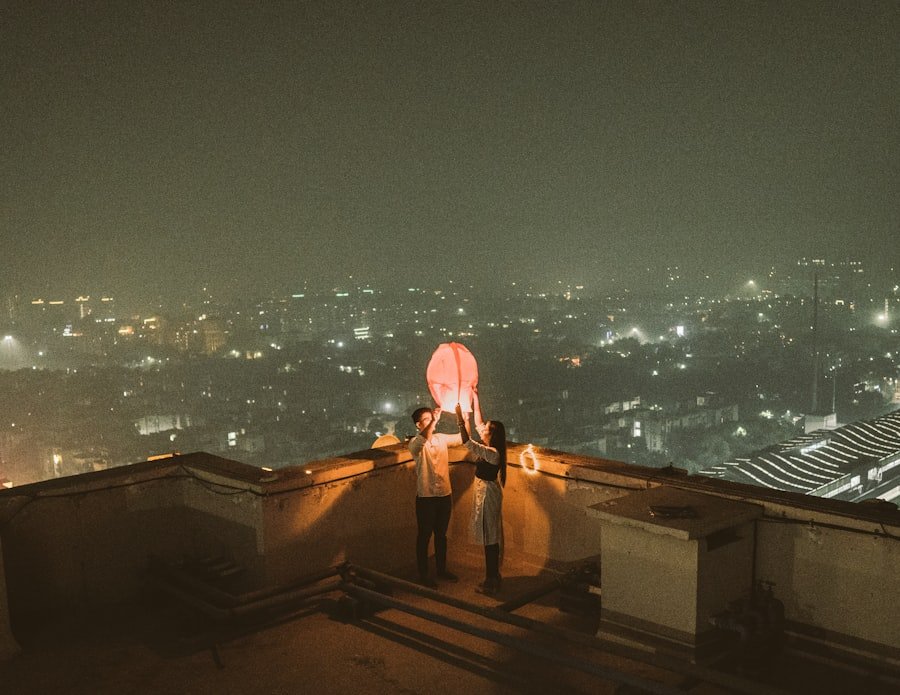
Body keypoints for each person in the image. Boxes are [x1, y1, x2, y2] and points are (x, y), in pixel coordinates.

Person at [455, 388, 507, 596]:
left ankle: (491, 578)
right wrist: (475, 397)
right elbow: (477, 422)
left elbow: (467, 442)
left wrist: (459, 418)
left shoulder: (492, 453)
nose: (482, 427)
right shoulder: (491, 448)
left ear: (491, 434)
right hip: (485, 492)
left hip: (487, 495)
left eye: (486, 428)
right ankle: (492, 576)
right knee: (489, 536)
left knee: (490, 538)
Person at [408, 406, 462, 588]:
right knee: (424, 536)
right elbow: (425, 437)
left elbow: (463, 437)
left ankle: (441, 569)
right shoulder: (415, 443)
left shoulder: (441, 439)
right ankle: (423, 574)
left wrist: (464, 415)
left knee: (441, 535)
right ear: (418, 424)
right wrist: (434, 421)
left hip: (444, 494)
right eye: (426, 418)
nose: (431, 420)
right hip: (426, 497)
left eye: (431, 417)